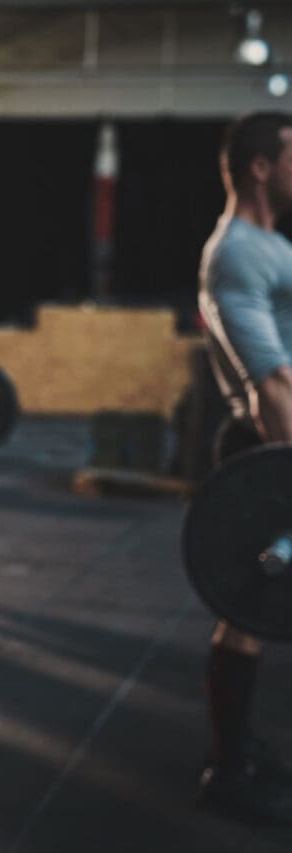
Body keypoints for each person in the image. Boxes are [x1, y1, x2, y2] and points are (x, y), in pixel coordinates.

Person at [196, 110, 292, 822]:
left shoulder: (267, 244)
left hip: (275, 447)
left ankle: (239, 749)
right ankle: (228, 770)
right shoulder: (237, 253)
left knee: (252, 610)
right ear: (261, 165)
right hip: (267, 447)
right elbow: (273, 386)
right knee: (249, 606)